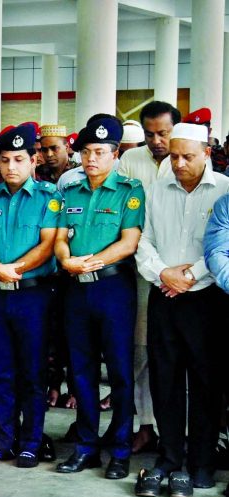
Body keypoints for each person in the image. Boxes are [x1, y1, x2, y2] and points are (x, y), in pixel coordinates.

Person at [133, 123, 228, 497]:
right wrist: (164, 274)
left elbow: (222, 245)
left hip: (207, 298)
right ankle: (170, 458)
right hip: (164, 296)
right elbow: (145, 241)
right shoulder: (157, 189)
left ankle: (202, 461)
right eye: (173, 156)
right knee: (165, 380)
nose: (178, 163)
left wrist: (189, 275)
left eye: (187, 156)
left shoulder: (224, 189)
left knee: (206, 383)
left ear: (206, 153)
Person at [54, 117, 144, 479]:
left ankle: (120, 450)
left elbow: (129, 240)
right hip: (76, 289)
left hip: (113, 287)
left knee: (121, 371)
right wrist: (65, 259)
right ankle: (86, 447)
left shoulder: (129, 190)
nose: (91, 159)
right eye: (86, 152)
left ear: (115, 154)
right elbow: (59, 235)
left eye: (100, 152)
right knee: (82, 371)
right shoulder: (69, 191)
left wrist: (91, 261)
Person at [0, 125, 60, 468]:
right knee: (1, 371)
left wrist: (13, 269)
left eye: (19, 159)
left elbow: (48, 243)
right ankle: (3, 440)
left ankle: (32, 441)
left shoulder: (48, 196)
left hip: (32, 296)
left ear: (33, 160)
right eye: (5, 160)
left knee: (32, 372)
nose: (11, 167)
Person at [118, 101, 182, 454]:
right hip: (142, 273)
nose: (156, 141)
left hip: (186, 278)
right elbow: (131, 222)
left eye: (164, 133)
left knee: (179, 354)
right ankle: (145, 425)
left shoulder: (186, 161)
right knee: (141, 351)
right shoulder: (131, 161)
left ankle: (179, 431)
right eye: (149, 133)